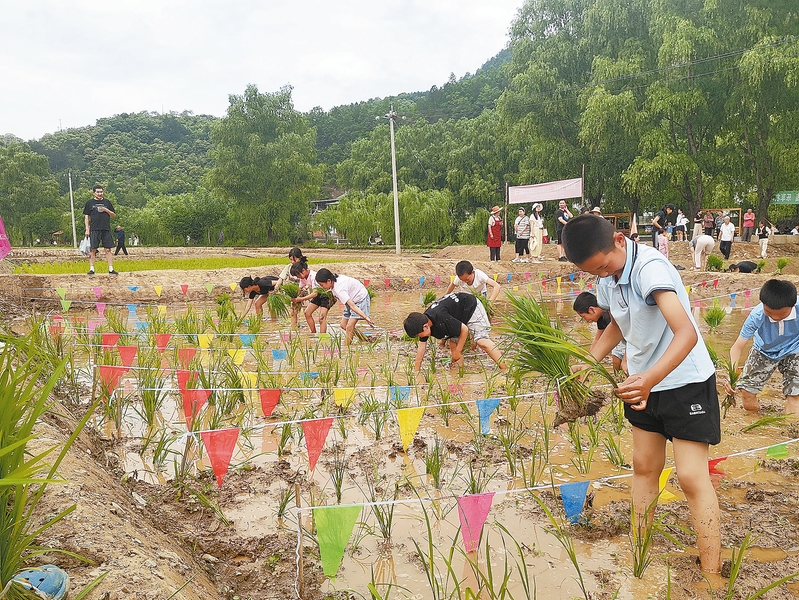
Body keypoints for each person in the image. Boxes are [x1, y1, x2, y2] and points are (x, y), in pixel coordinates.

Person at [562, 214, 720, 574]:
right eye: (594, 272)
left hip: (684, 382)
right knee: (644, 466)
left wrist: (649, 377)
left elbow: (686, 333)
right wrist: (587, 363)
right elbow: (619, 323)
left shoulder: (650, 268)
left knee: (691, 477)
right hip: (642, 383)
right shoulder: (607, 277)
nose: (602, 275)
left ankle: (711, 572)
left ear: (620, 240)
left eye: (603, 266)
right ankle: (639, 553)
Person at [725, 279, 799, 417]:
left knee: (795, 393)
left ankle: (791, 427)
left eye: (781, 314)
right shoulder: (756, 315)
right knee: (747, 393)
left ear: (793, 305)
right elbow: (737, 347)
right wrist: (732, 376)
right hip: (764, 351)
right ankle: (759, 422)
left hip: (794, 349)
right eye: (769, 312)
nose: (775, 317)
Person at [404, 292, 507, 372]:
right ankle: (458, 375)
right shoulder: (422, 322)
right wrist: (417, 371)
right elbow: (421, 348)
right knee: (455, 351)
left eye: (418, 335)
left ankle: (505, 369)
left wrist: (458, 351)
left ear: (425, 326)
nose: (420, 337)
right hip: (456, 316)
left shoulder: (441, 317)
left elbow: (464, 329)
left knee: (481, 341)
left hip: (471, 307)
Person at [316, 268, 374, 346]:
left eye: (322, 285)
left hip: (360, 299)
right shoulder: (334, 280)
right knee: (343, 325)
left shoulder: (339, 289)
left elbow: (352, 306)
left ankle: (346, 349)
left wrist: (366, 317)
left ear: (329, 280)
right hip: (351, 297)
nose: (322, 287)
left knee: (349, 327)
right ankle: (366, 339)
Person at [573, 291, 626, 373]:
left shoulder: (612, 310)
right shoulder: (601, 319)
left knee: (625, 364)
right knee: (616, 360)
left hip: (630, 335)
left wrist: (626, 358)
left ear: (591, 310)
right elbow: (597, 339)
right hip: (619, 336)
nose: (586, 320)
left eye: (583, 316)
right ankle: (618, 378)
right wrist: (588, 360)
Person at [290, 262, 336, 334]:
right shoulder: (302, 279)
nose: (298, 277)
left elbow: (315, 293)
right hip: (319, 295)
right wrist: (293, 299)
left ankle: (322, 337)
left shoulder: (314, 276)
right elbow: (299, 290)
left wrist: (301, 299)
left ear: (303, 270)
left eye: (298, 275)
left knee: (322, 317)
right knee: (307, 312)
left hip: (326, 295)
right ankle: (313, 333)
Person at [83, 185, 118, 275]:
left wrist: (106, 210)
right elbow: (86, 216)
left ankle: (111, 269)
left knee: (108, 249)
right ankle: (92, 269)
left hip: (106, 229)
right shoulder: (89, 203)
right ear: (94, 193)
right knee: (93, 249)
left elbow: (113, 215)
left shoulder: (107, 202)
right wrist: (87, 228)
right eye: (98, 192)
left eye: (101, 192)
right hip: (94, 229)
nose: (100, 193)